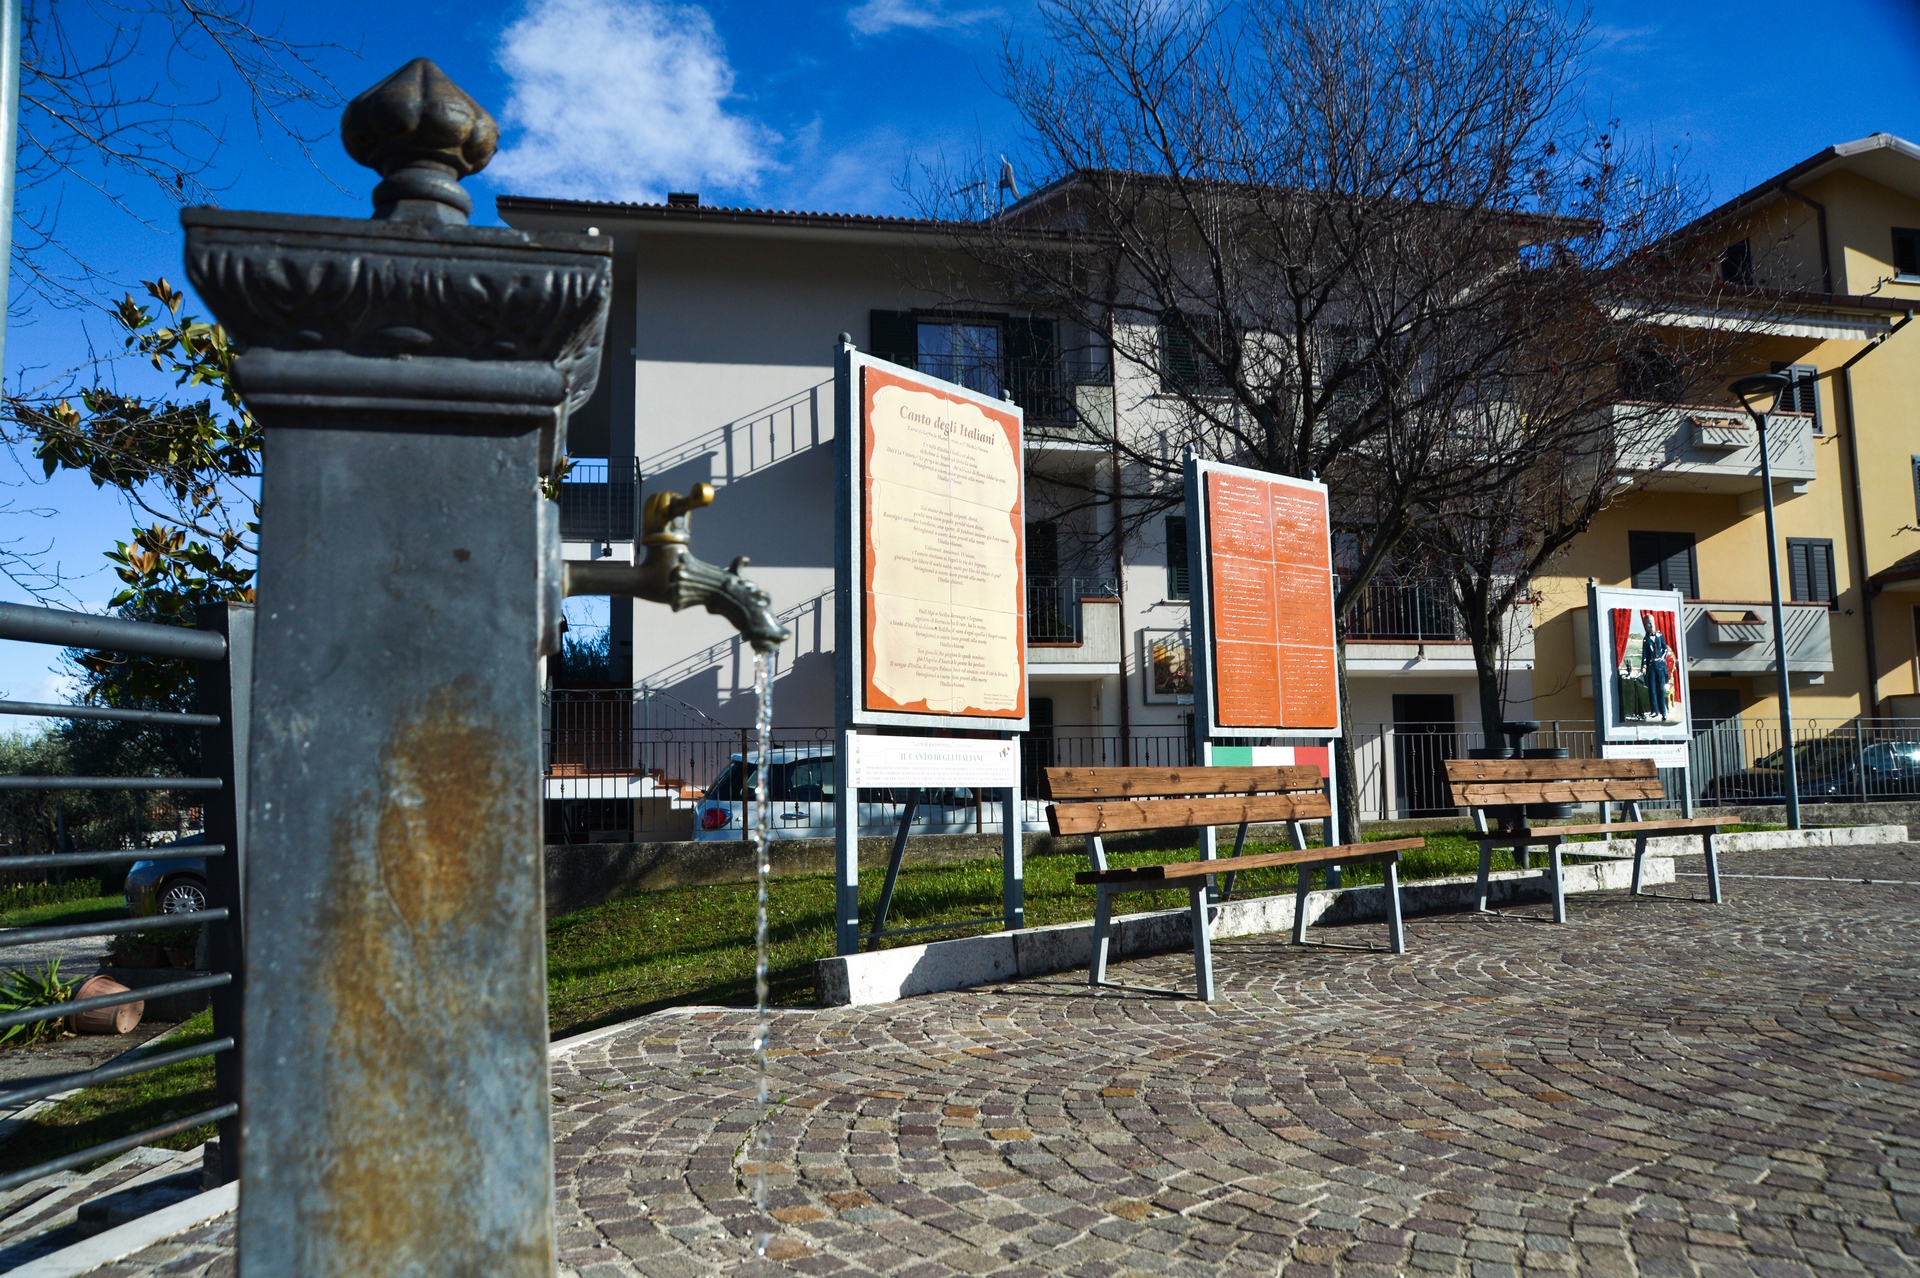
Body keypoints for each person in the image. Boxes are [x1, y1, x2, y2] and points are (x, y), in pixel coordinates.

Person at [1640, 612, 1671, 722]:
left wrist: (1663, 657)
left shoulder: (1659, 635)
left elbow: (1665, 648)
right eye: (1648, 624)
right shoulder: (1646, 639)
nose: (1651, 625)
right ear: (1645, 626)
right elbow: (1644, 654)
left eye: (1652, 623)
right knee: (1652, 689)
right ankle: (1654, 711)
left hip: (1660, 665)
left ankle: (1663, 711)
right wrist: (1643, 667)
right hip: (1651, 666)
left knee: (1661, 689)